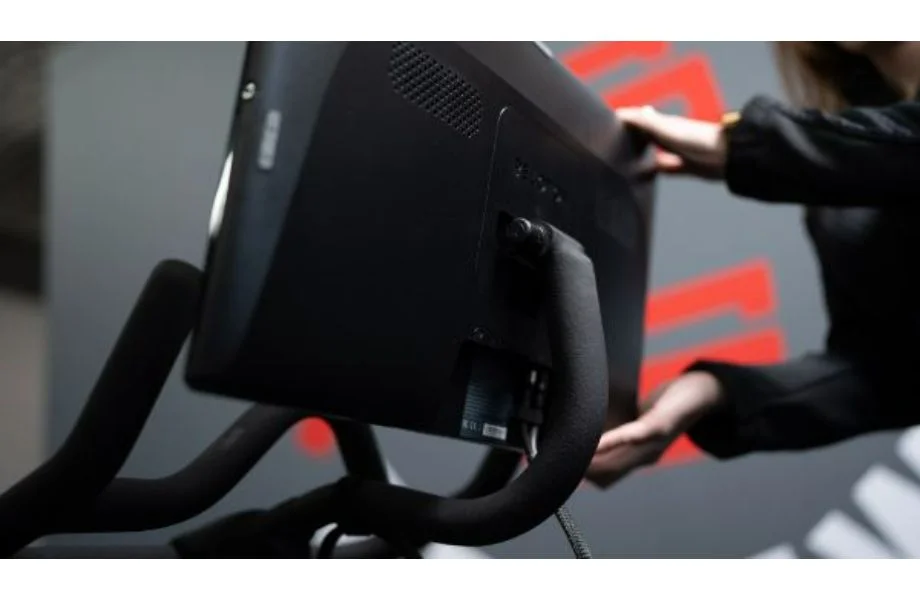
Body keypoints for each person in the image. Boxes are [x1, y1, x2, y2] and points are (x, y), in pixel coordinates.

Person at [587, 41, 920, 488]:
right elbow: (884, 375)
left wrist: (734, 147)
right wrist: (711, 393)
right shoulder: (841, 199)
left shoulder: (832, 161)